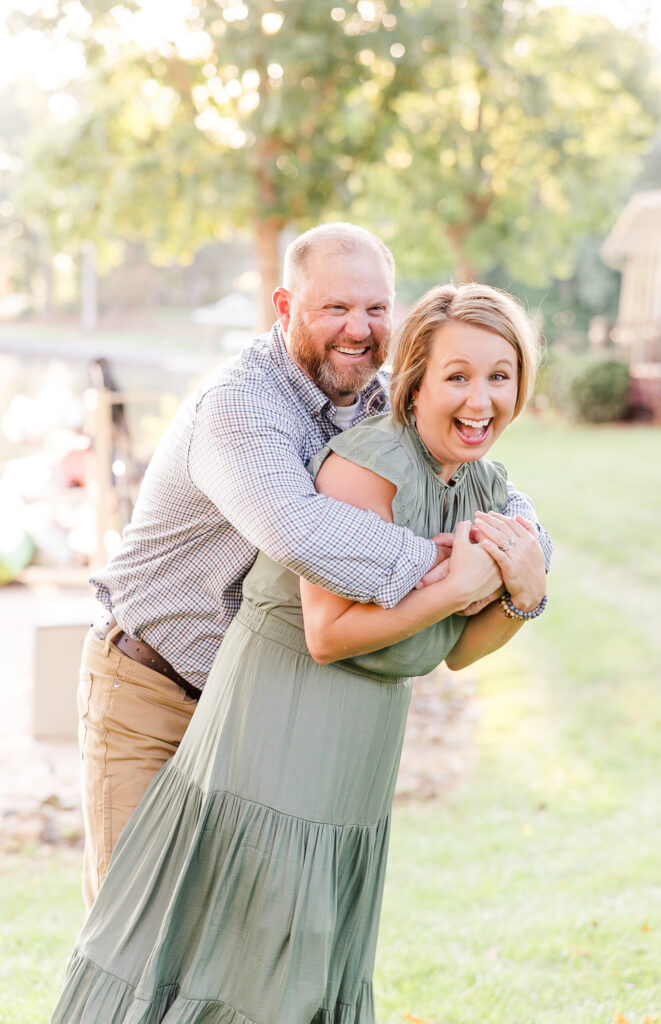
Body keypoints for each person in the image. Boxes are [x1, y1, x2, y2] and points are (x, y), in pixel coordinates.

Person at [52, 282, 548, 1024]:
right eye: (457, 376)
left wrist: (526, 588)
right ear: (414, 378)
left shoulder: (480, 486)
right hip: (254, 732)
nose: (480, 399)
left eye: (499, 376)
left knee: (299, 974)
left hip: (349, 770)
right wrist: (451, 583)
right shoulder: (351, 457)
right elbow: (326, 631)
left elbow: (462, 654)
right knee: (189, 961)